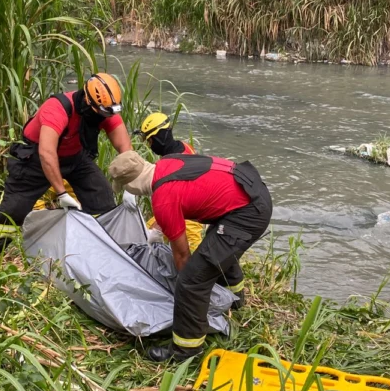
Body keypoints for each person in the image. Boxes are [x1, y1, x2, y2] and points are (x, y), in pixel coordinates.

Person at [109, 151, 272, 362]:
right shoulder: (167, 163)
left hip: (247, 213)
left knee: (192, 280)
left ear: (132, 185)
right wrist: (161, 229)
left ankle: (186, 349)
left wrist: (182, 288)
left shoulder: (162, 199)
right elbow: (182, 195)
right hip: (249, 190)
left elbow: (182, 255)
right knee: (218, 252)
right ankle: (236, 302)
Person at [0, 73, 132, 253]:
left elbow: (125, 147)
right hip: (35, 160)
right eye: (101, 113)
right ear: (87, 102)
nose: (105, 118)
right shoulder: (58, 109)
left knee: (102, 198)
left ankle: (99, 251)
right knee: (14, 209)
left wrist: (131, 184)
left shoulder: (105, 111)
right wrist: (61, 194)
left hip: (75, 157)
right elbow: (47, 153)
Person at [135, 112, 203, 250]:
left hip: (190, 217)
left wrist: (158, 228)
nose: (149, 146)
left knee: (193, 255)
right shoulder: (184, 146)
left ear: (159, 137)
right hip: (182, 208)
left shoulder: (171, 163)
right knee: (142, 233)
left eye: (150, 141)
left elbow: (171, 202)